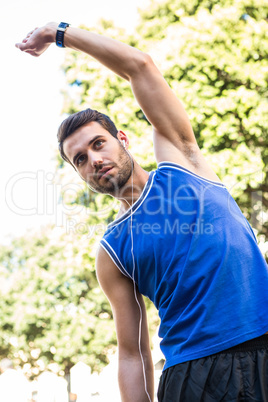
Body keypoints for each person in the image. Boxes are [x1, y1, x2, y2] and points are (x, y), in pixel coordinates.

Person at [16, 22, 268, 402]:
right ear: (79, 174)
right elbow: (133, 353)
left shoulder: (182, 160)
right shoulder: (111, 251)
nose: (94, 160)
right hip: (194, 377)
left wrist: (57, 33)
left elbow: (141, 67)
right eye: (80, 159)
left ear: (122, 139)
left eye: (98, 144)